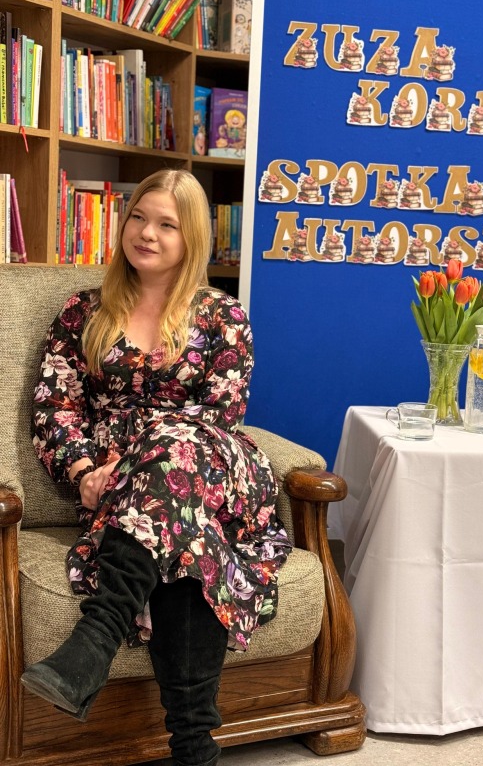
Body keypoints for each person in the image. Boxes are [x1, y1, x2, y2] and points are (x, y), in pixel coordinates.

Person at [21, 169, 292, 766]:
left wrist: (133, 459)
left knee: (174, 450)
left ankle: (95, 639)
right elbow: (54, 405)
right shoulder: (83, 311)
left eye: (167, 224)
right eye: (139, 218)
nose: (146, 233)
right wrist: (83, 472)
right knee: (187, 548)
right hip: (128, 492)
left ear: (191, 237)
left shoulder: (223, 317)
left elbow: (219, 414)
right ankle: (195, 749)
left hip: (216, 472)